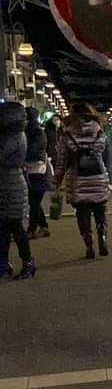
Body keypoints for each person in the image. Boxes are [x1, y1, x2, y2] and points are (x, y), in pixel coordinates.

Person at [57, 106, 111, 260]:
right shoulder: (100, 133)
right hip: (98, 177)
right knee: (100, 211)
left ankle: (89, 246)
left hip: (78, 179)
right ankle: (103, 237)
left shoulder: (67, 135)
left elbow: (62, 161)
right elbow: (107, 157)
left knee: (82, 214)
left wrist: (57, 181)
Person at [0, 103, 34, 279]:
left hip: (11, 184)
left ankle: (27, 261)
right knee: (6, 227)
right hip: (9, 182)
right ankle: (4, 264)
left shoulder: (13, 137)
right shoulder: (14, 134)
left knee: (14, 226)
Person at [25, 107, 51, 241]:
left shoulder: (36, 132)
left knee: (34, 201)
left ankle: (31, 229)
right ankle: (43, 226)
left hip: (37, 170)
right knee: (34, 201)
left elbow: (33, 150)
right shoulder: (32, 132)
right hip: (33, 169)